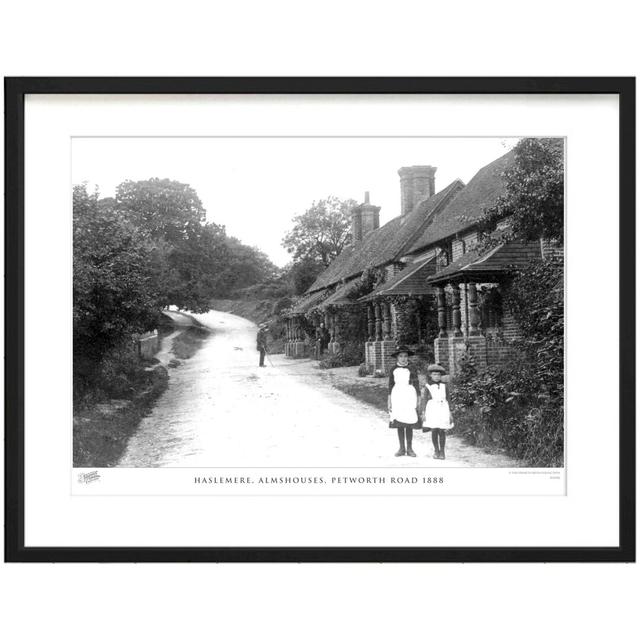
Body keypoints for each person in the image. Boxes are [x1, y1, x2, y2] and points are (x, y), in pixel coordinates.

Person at [387, 345, 421, 457]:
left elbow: (416, 384)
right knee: (400, 421)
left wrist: (418, 398)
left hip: (409, 395)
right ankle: (401, 448)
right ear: (397, 357)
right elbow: (390, 385)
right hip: (397, 396)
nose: (403, 358)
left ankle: (410, 448)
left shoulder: (412, 369)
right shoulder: (393, 369)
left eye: (405, 356)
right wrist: (389, 400)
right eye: (401, 356)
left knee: (409, 421)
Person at [421, 363, 453, 459]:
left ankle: (442, 451)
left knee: (442, 430)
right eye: (434, 374)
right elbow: (424, 399)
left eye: (439, 375)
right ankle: (436, 450)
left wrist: (450, 412)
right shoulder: (428, 386)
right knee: (434, 429)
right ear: (430, 375)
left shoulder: (444, 386)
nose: (437, 376)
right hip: (432, 409)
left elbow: (448, 398)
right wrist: (423, 412)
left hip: (443, 408)